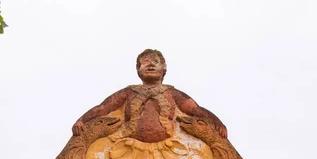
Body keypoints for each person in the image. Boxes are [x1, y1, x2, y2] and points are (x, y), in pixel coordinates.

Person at [71, 49, 228, 141]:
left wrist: (218, 123)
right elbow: (103, 108)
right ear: (138, 69)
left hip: (169, 149)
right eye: (145, 62)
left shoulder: (172, 93)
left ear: (163, 68)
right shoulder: (129, 92)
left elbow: (196, 110)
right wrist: (81, 121)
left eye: (155, 61)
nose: (151, 64)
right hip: (128, 147)